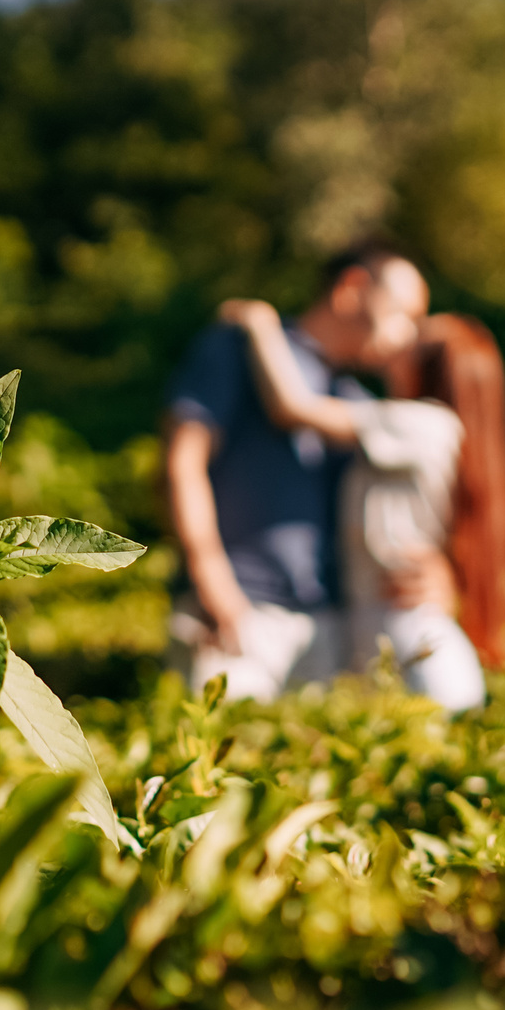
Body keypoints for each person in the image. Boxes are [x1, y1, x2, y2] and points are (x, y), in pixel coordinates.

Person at [161, 243, 431, 701]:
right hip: (234, 612)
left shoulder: (353, 401)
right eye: (402, 313)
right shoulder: (235, 347)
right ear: (352, 288)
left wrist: (435, 572)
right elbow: (182, 460)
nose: (408, 335)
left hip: (326, 623)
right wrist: (210, 578)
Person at [217, 301, 505, 710]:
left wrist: (262, 325)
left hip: (417, 649)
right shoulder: (411, 428)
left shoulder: (419, 424)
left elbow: (293, 407)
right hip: (391, 640)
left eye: (415, 340)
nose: (400, 340)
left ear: (430, 367)